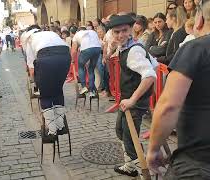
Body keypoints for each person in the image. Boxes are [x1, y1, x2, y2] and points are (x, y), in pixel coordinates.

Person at [147, 1, 210, 179]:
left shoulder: (195, 48)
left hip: (197, 162)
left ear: (199, 20)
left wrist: (153, 149)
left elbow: (169, 105)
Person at [105, 15, 157, 178]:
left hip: (134, 101)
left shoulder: (134, 50)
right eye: (116, 32)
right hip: (128, 99)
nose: (120, 35)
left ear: (131, 29)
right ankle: (131, 164)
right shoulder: (126, 46)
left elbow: (149, 76)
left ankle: (142, 170)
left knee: (129, 136)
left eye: (124, 31)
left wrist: (133, 99)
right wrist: (112, 47)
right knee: (121, 130)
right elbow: (153, 63)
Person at [21, 25, 70, 136]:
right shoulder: (49, 33)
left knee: (45, 94)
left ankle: (52, 131)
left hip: (46, 57)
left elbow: (31, 67)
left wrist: (37, 84)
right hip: (65, 55)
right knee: (58, 90)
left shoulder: (30, 40)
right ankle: (60, 126)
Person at [71, 27, 102, 97]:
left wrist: (72, 60)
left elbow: (74, 50)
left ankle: (83, 86)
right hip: (97, 48)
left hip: (86, 48)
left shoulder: (76, 35)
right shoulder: (92, 32)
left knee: (81, 66)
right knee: (91, 69)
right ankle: (91, 91)